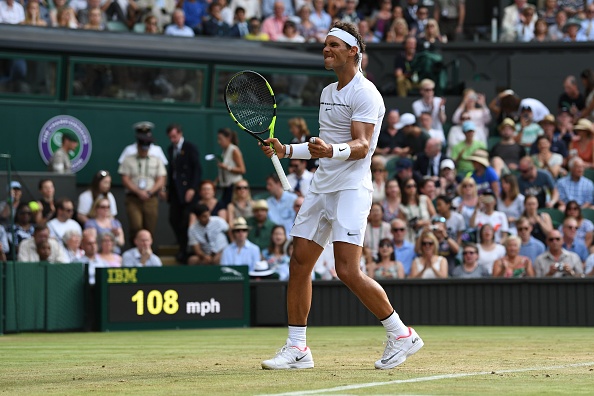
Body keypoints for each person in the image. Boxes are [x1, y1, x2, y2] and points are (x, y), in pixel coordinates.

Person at [259, 22, 423, 371]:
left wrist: (329, 150)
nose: (326, 49)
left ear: (353, 52)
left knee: (347, 270)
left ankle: (401, 333)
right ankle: (298, 348)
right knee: (300, 262)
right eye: (325, 44)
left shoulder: (366, 93)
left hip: (350, 189)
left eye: (333, 44)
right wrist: (286, 149)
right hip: (322, 187)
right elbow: (321, 146)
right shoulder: (329, 92)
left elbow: (362, 147)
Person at [119, 133, 167, 243]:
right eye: (142, 148)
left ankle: (148, 253)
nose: (144, 151)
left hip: (151, 198)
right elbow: (125, 178)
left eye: (146, 149)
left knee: (150, 227)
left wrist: (150, 192)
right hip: (133, 198)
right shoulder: (128, 159)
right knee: (136, 226)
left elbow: (161, 178)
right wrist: (138, 191)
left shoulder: (156, 160)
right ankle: (134, 252)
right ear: (138, 147)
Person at [164, 123, 201, 263]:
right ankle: (181, 245)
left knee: (185, 221)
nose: (173, 139)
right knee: (174, 219)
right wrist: (167, 189)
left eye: (174, 136)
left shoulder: (190, 147)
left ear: (180, 133)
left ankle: (184, 250)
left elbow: (197, 169)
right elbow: (172, 172)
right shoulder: (170, 149)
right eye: (170, 137)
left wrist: (192, 188)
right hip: (175, 192)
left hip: (187, 192)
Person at [399, 177, 435, 244]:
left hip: (427, 234)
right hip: (411, 236)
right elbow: (402, 224)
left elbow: (434, 217)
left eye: (414, 185)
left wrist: (423, 222)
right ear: (404, 188)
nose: (412, 188)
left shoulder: (424, 199)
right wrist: (413, 224)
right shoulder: (401, 206)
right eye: (409, 186)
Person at [216, 128, 246, 207]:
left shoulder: (234, 150)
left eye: (220, 139)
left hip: (234, 187)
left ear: (228, 138)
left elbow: (242, 169)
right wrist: (215, 181)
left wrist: (227, 167)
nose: (219, 142)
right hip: (225, 187)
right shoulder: (224, 151)